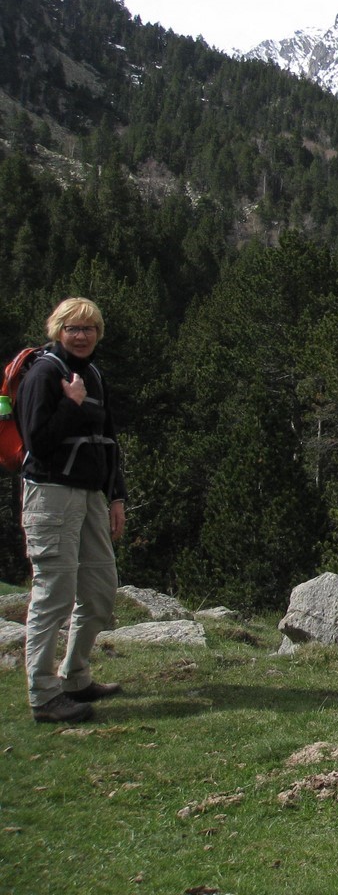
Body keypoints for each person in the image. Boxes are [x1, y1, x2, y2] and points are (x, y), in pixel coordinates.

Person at [18, 297, 129, 725]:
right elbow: (37, 442)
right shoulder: (45, 372)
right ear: (57, 330)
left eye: (89, 329)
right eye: (73, 328)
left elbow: (108, 440)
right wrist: (71, 405)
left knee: (101, 589)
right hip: (52, 494)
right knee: (54, 594)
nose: (82, 336)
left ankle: (75, 676)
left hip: (90, 496)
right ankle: (43, 695)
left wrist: (115, 495)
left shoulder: (92, 374)